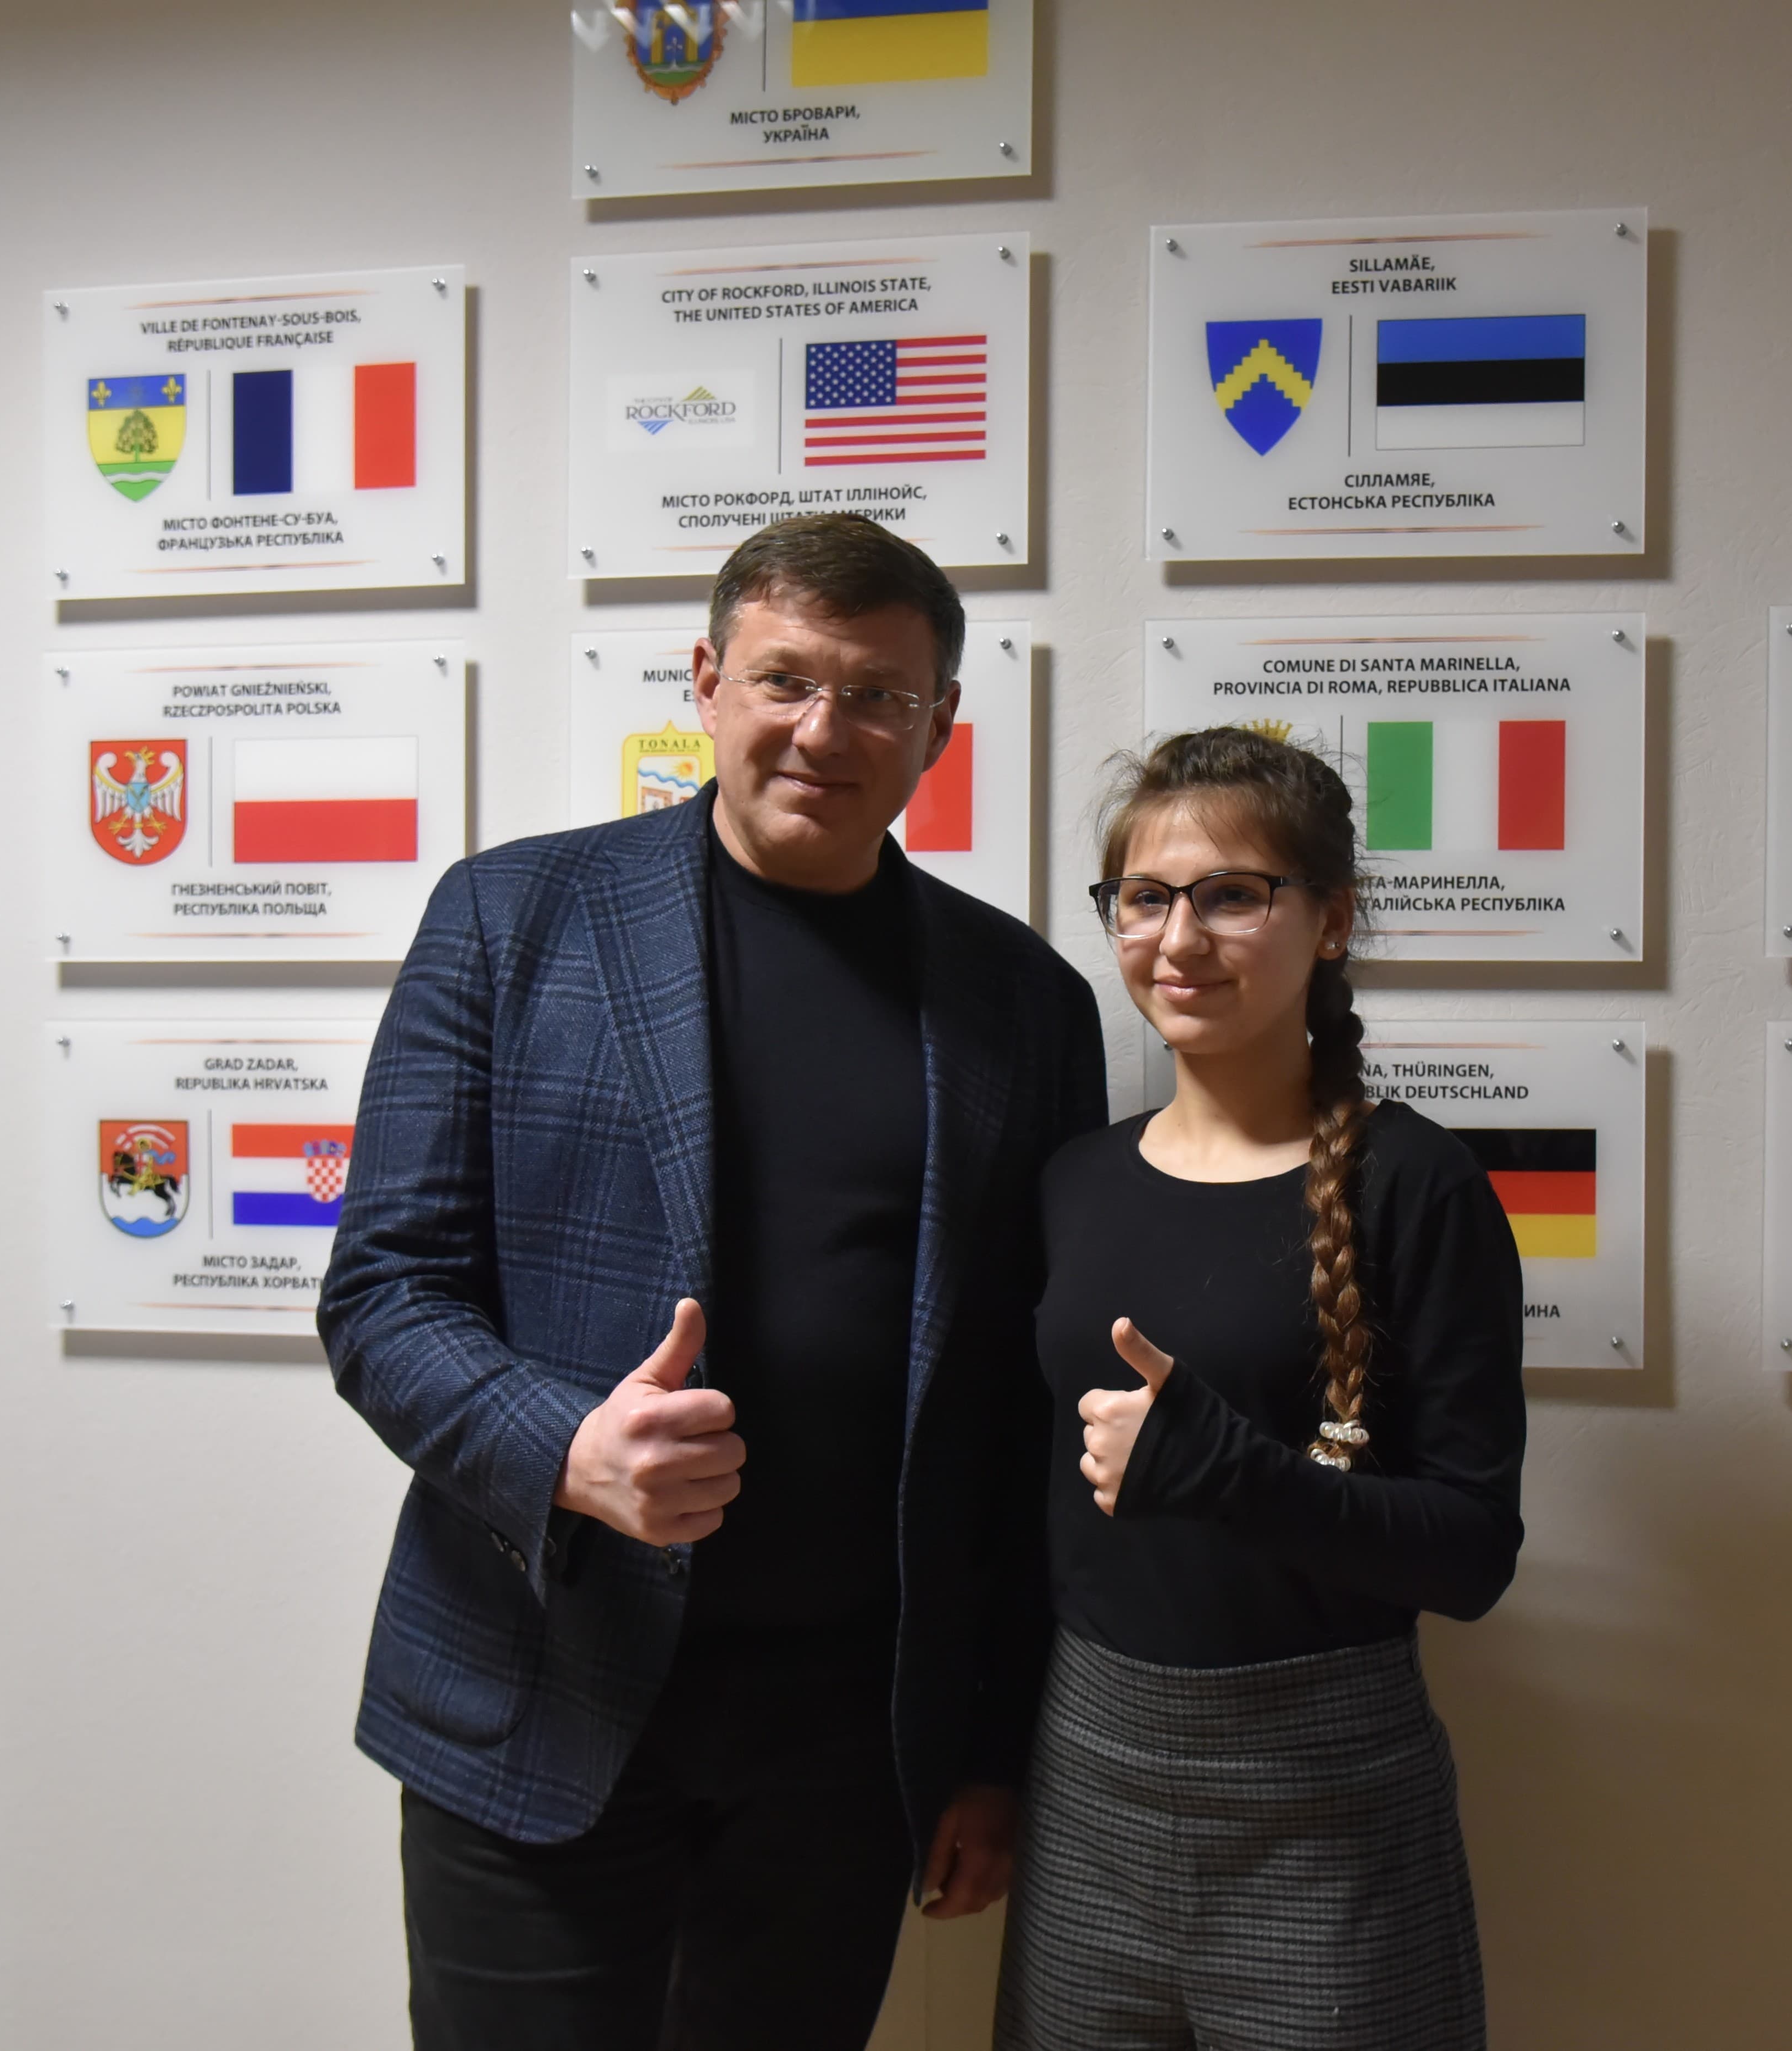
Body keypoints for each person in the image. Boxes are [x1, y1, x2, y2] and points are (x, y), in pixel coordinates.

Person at [319, 513, 1107, 2051]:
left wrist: (993, 1746)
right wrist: (566, 1447)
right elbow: (384, 1291)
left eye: (878, 695)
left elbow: (1024, 1411)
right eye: (786, 680)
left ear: (939, 724)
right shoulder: (508, 916)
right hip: (538, 1690)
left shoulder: (1027, 1002)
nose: (825, 729)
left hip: (848, 1743)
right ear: (706, 681)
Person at [995, 729, 1527, 2051]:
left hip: (1328, 1798)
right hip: (1086, 1779)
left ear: (1330, 920)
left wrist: (1234, 1475)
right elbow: (1015, 1514)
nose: (1179, 939)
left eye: (1232, 894)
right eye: (1145, 897)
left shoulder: (1418, 1186)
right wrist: (974, 1759)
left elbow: (1470, 1554)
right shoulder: (1070, 1182)